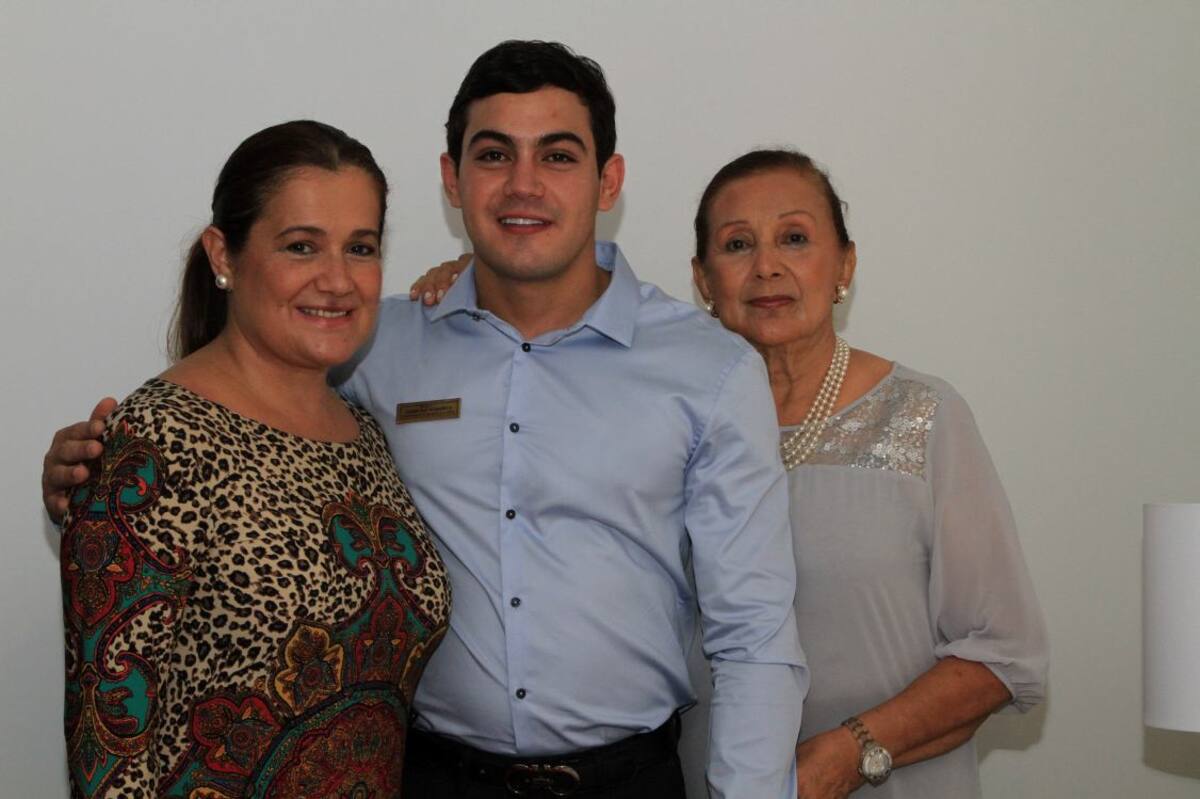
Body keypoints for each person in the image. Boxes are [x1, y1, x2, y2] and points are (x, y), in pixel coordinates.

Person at [44, 43, 808, 798]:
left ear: (608, 180)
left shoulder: (709, 372)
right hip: (427, 775)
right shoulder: (376, 344)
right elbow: (235, 419)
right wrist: (98, 470)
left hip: (626, 778)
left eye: (559, 156)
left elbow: (755, 637)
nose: (523, 185)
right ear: (453, 178)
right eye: (493, 155)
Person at [410, 147, 1050, 797]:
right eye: (737, 244)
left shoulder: (924, 416)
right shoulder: (653, 418)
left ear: (845, 264)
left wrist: (843, 754)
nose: (767, 266)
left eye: (794, 238)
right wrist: (485, 283)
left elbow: (1002, 656)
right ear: (703, 280)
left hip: (884, 780)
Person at [54, 120, 450, 798]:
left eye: (361, 247)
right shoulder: (158, 440)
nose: (337, 279)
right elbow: (110, 752)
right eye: (302, 246)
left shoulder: (364, 432)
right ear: (223, 254)